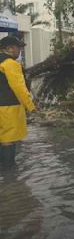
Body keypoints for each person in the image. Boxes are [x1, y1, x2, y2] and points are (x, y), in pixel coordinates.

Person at [0, 35, 36, 169]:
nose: (19, 51)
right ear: (9, 48)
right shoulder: (10, 64)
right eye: (18, 48)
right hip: (8, 108)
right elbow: (19, 87)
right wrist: (31, 106)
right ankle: (10, 175)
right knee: (8, 140)